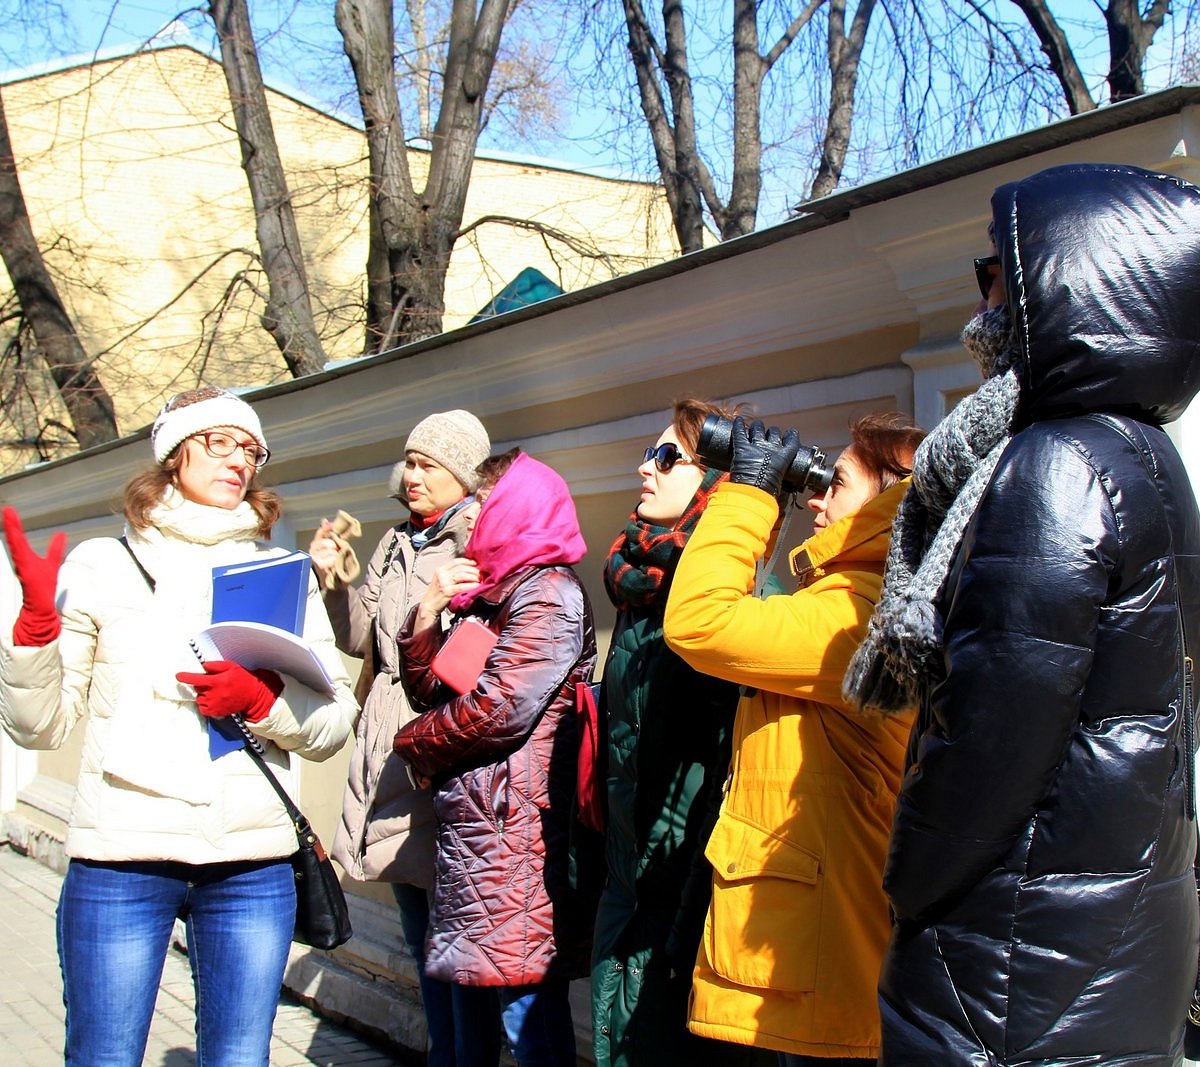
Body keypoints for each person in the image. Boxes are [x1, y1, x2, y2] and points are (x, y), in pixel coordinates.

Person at [843, 162, 1200, 1064]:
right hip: (1105, 939)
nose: (984, 293)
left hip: (1009, 960)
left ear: (1066, 281)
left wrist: (909, 881)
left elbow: (990, 734)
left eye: (996, 268)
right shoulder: (1149, 457)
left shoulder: (1052, 463)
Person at [0, 385, 358, 1066]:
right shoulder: (103, 564)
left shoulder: (279, 572)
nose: (240, 460)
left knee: (240, 1058)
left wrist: (263, 702)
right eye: (220, 441)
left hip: (250, 864)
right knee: (104, 1055)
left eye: (251, 449)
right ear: (172, 453)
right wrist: (33, 637)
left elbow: (336, 720)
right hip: (124, 857)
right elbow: (39, 726)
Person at [663, 410, 925, 1063]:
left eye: (835, 482)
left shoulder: (856, 615)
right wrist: (767, 506)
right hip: (811, 956)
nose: (817, 495)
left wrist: (750, 491)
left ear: (894, 494)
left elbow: (698, 622)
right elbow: (745, 619)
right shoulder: (851, 599)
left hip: (821, 967)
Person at [393, 448, 597, 1067]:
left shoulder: (548, 594)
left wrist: (414, 745)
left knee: (527, 1021)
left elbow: (500, 706)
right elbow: (432, 687)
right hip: (481, 831)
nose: (475, 511)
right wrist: (428, 611)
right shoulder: (492, 588)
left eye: (487, 499)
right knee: (475, 1021)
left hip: (518, 835)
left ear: (518, 506)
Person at [310, 409, 502, 1067]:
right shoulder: (398, 541)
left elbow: (479, 658)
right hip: (385, 749)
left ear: (463, 474)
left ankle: (462, 1056)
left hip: (438, 753)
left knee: (455, 943)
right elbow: (360, 637)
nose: (412, 474)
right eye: (410, 461)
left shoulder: (482, 541)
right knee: (422, 935)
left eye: (428, 464)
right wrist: (334, 579)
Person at [592, 397, 763, 1067]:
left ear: (716, 479)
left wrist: (686, 908)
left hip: (682, 904)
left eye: (666, 456)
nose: (645, 467)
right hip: (625, 889)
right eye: (648, 453)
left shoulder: (736, 598)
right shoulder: (637, 590)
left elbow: (733, 773)